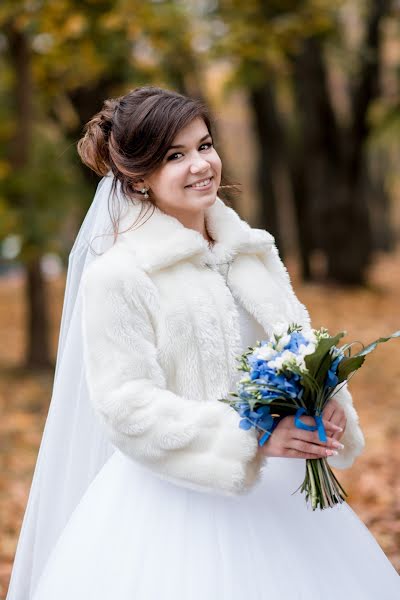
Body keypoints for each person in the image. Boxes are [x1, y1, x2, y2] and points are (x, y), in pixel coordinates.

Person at [6, 86, 400, 599]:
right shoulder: (120, 276)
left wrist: (322, 404)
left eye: (204, 145)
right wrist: (252, 436)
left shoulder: (251, 251)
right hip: (173, 506)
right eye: (175, 156)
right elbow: (126, 405)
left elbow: (293, 343)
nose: (200, 164)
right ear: (139, 178)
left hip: (282, 497)